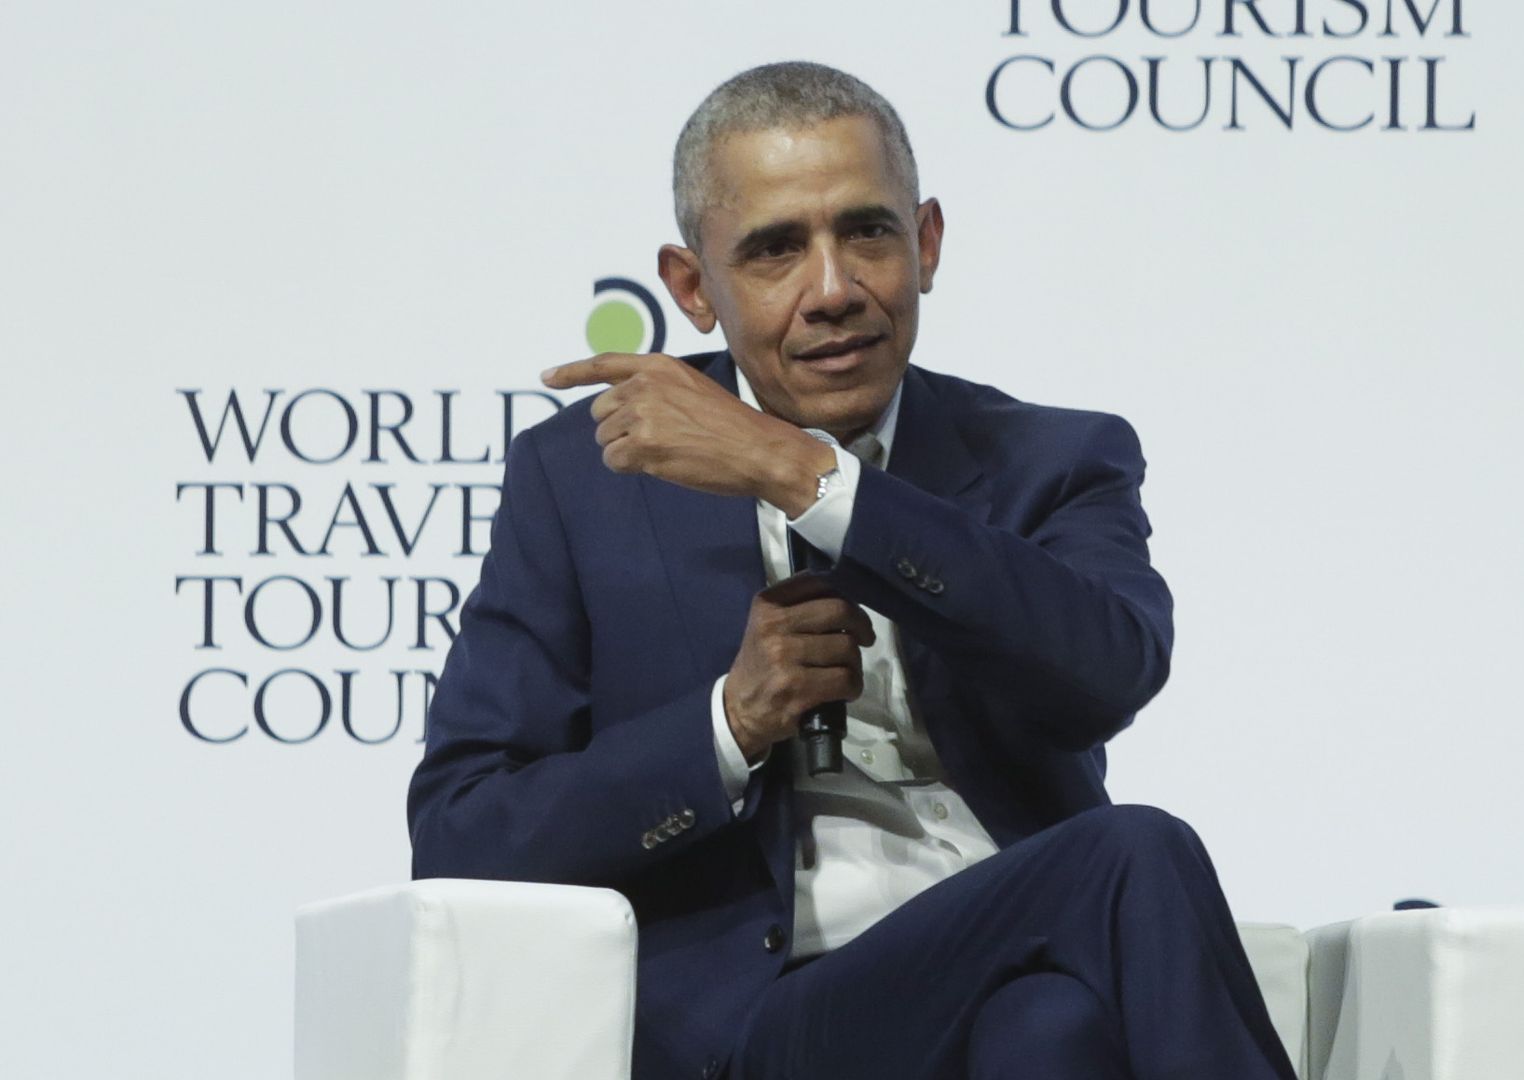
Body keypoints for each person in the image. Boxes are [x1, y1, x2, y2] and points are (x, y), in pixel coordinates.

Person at [406, 60, 1297, 1080]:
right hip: (766, 1027)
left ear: (925, 244)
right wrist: (728, 723)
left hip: (1019, 962)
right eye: (777, 250)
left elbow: (1110, 670)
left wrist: (808, 477)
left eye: (867, 233)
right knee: (1132, 854)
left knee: (1048, 1038)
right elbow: (463, 835)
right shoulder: (583, 479)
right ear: (694, 287)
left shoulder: (1049, 458)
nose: (833, 291)